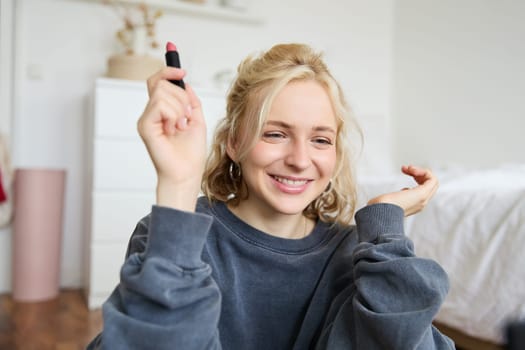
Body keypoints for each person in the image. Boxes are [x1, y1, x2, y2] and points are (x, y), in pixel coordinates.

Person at [87, 43, 455, 349]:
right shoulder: (170, 231)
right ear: (234, 142)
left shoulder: (356, 255)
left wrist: (385, 231)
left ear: (336, 155)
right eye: (275, 134)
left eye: (321, 140)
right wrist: (179, 185)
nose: (298, 160)